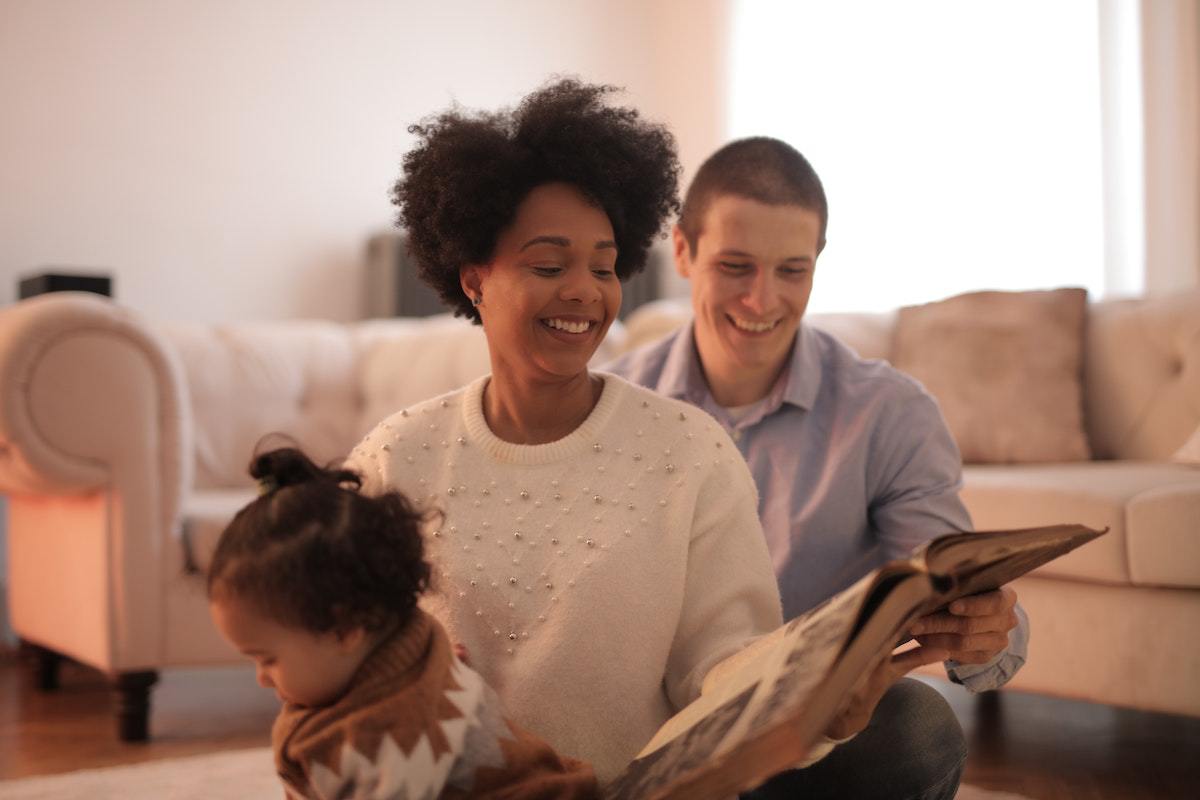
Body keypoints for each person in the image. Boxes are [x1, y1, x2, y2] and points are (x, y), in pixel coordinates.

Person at [344, 80, 950, 792]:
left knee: (914, 730)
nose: (584, 291)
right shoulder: (396, 456)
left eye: (603, 267)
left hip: (643, 789)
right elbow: (335, 658)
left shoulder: (689, 452)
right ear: (475, 278)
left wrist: (817, 696)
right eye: (549, 265)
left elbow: (726, 660)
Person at [607, 137, 1030, 796]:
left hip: (813, 728)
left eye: (791, 271)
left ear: (818, 263)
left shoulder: (889, 412)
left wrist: (986, 627)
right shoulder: (611, 404)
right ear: (684, 251)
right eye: (736, 266)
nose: (761, 301)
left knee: (920, 731)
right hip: (654, 722)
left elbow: (953, 575)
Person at [207, 446, 597, 799]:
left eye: (266, 659)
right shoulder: (408, 635)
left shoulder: (385, 744)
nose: (260, 677)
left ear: (345, 630)